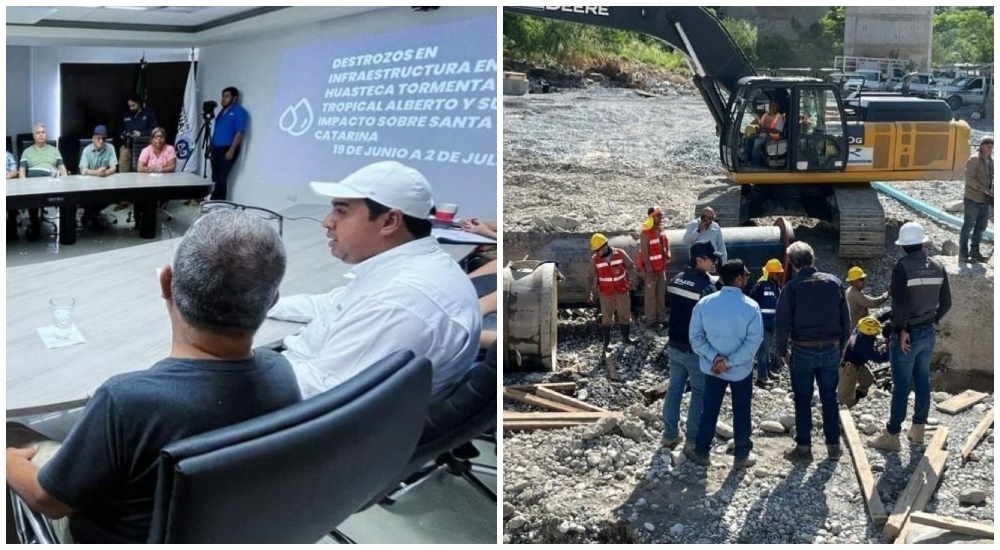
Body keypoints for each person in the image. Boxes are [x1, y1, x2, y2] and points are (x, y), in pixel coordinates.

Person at [5, 210, 301, 544]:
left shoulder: (126, 401)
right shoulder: (281, 375)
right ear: (271, 301)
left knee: (13, 433)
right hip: (222, 532)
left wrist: (9, 460)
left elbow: (48, 500)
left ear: (165, 282)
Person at [267, 161, 481, 404]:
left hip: (304, 411)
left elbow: (321, 392)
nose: (327, 222)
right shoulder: (411, 268)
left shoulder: (399, 301)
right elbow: (333, 305)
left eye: (341, 211)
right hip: (304, 378)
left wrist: (237, 367)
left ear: (390, 221)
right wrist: (259, 305)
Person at [868, 222, 951, 451]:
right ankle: (918, 430)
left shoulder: (902, 268)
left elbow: (900, 304)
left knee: (902, 385)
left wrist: (902, 330)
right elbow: (946, 303)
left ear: (904, 246)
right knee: (922, 380)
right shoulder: (937, 266)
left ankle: (892, 435)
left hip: (907, 334)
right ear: (922, 242)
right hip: (927, 332)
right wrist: (932, 320)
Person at [774, 241, 851, 462]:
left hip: (803, 350)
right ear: (812, 259)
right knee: (829, 398)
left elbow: (782, 324)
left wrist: (782, 352)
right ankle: (833, 447)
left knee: (803, 399)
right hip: (830, 349)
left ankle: (804, 449)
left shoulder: (791, 288)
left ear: (793, 264)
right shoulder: (833, 282)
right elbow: (846, 319)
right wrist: (842, 347)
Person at [685, 259, 763, 470]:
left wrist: (715, 359)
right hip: (740, 371)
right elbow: (753, 342)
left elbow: (695, 338)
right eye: (746, 275)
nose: (747, 279)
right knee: (742, 410)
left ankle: (702, 451)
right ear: (738, 279)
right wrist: (730, 361)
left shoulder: (705, 303)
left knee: (709, 409)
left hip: (712, 370)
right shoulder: (751, 307)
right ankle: (741, 455)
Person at [661, 241, 721, 451]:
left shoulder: (676, 280)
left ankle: (669, 435)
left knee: (674, 389)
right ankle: (692, 439)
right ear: (699, 260)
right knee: (699, 391)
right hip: (695, 349)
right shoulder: (706, 287)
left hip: (674, 345)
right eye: (711, 258)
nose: (714, 262)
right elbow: (711, 320)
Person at [586, 233, 638, 352]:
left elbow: (631, 266)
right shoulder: (595, 260)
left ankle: (626, 338)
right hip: (606, 292)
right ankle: (607, 343)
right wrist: (588, 293)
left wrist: (632, 280)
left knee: (625, 314)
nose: (597, 252)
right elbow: (589, 277)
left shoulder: (619, 253)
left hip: (622, 290)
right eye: (595, 250)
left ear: (605, 246)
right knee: (607, 317)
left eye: (598, 250)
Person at [17, 123, 67, 241]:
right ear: (34, 136)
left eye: (43, 132)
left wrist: (65, 183)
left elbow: (63, 170)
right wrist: (23, 186)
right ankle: (34, 225)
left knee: (65, 198)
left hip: (51, 183)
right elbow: (22, 171)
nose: (41, 135)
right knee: (32, 198)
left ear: (46, 135)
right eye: (38, 133)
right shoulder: (27, 151)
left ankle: (65, 229)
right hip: (33, 184)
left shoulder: (55, 150)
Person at [748, 258, 784, 388]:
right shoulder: (760, 286)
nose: (778, 276)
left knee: (767, 350)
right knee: (763, 352)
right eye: (776, 273)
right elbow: (752, 304)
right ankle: (762, 377)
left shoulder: (775, 285)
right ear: (769, 273)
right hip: (762, 324)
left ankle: (767, 372)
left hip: (771, 323)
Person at [839, 316, 887, 409]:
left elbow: (875, 319)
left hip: (859, 363)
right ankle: (845, 409)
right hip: (849, 369)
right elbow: (880, 358)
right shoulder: (864, 344)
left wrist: (889, 314)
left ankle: (858, 396)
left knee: (868, 379)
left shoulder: (860, 327)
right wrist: (891, 350)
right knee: (844, 401)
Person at [210, 86, 249, 201]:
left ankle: (220, 203)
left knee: (222, 177)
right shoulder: (222, 112)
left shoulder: (240, 112)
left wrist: (232, 149)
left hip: (227, 148)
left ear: (234, 98)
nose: (223, 99)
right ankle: (214, 200)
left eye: (227, 96)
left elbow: (240, 132)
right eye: (223, 96)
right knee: (215, 177)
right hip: (216, 148)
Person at [78, 125, 119, 229]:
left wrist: (106, 173)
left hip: (105, 182)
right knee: (86, 197)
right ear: (93, 138)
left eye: (104, 138)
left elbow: (114, 167)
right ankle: (93, 215)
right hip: (89, 184)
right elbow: (83, 170)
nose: (101, 141)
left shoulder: (110, 148)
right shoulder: (87, 150)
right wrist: (97, 173)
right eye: (98, 138)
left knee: (112, 195)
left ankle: (90, 215)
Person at [959, 135, 993, 263]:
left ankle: (975, 252)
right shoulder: (974, 160)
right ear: (981, 146)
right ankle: (963, 254)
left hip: (985, 200)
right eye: (987, 144)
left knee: (980, 228)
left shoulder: (991, 161)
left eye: (991, 144)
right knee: (967, 227)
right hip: (973, 199)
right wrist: (985, 190)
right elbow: (970, 179)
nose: (990, 146)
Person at [638, 206, 670, 328]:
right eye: (659, 215)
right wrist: (649, 270)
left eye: (661, 215)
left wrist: (666, 261)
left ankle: (661, 318)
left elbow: (665, 247)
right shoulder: (645, 233)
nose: (661, 217)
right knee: (651, 296)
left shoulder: (660, 229)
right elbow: (644, 253)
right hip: (651, 271)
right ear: (652, 217)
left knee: (660, 294)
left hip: (661, 268)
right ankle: (651, 321)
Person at [120, 93, 158, 173]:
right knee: (124, 156)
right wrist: (123, 134)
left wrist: (141, 134)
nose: (131, 108)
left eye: (133, 105)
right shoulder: (126, 114)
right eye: (129, 106)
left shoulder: (148, 113)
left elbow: (155, 130)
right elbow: (120, 128)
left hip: (145, 144)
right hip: (128, 144)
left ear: (139, 103)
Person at [749, 100, 786, 166]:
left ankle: (755, 163)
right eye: (771, 105)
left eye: (774, 105)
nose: (772, 107)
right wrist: (759, 129)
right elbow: (761, 124)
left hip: (772, 137)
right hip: (762, 134)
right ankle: (748, 159)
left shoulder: (779, 117)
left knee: (757, 142)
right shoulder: (765, 115)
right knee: (750, 138)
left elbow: (778, 130)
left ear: (777, 107)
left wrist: (766, 130)